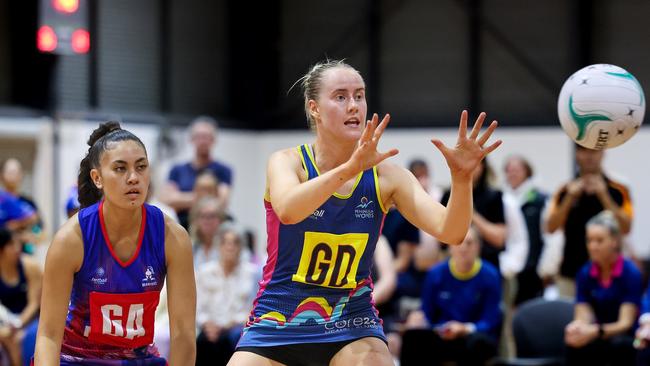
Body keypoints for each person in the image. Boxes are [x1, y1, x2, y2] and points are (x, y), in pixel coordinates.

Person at [229, 60, 501, 366]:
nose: (353, 105)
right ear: (314, 108)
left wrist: (462, 180)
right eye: (341, 97)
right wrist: (349, 170)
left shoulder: (387, 176)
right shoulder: (288, 162)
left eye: (359, 95)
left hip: (351, 321)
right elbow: (289, 210)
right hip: (279, 315)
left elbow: (451, 231)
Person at [33, 122, 196, 365]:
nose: (133, 178)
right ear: (97, 178)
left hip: (137, 359)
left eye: (141, 167)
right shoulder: (70, 239)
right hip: (75, 358)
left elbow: (183, 335)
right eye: (120, 169)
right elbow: (48, 335)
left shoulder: (173, 237)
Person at [400, 227, 502, 366]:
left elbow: (490, 320)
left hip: (472, 335)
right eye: (459, 243)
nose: (463, 248)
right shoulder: (435, 273)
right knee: (413, 337)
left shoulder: (490, 275)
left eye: (469, 243)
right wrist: (419, 320)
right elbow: (427, 313)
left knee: (479, 343)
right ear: (449, 246)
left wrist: (465, 328)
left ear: (478, 247)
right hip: (443, 334)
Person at [546, 144, 633, 298]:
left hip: (610, 274)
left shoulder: (619, 189)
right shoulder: (565, 190)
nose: (589, 156)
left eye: (594, 151)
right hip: (570, 273)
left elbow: (626, 228)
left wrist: (604, 195)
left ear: (602, 153)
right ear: (577, 154)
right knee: (569, 320)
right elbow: (551, 227)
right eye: (583, 150)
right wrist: (570, 198)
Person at [564, 211, 641, 366]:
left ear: (614, 241)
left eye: (599, 241)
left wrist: (595, 331)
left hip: (626, 337)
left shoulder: (630, 272)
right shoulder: (585, 272)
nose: (593, 246)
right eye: (589, 240)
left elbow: (625, 324)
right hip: (597, 333)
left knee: (620, 345)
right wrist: (578, 328)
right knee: (573, 343)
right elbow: (582, 313)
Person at [196, 224, 259, 366]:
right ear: (219, 246)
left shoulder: (251, 274)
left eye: (234, 243)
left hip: (235, 327)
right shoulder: (205, 272)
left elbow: (252, 308)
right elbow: (198, 306)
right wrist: (207, 323)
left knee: (234, 339)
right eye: (225, 243)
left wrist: (229, 323)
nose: (230, 247)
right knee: (201, 342)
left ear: (241, 247)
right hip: (210, 328)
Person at [161, 116, 233, 229]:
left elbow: (222, 202)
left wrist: (183, 199)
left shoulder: (224, 170)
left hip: (212, 226)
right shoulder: (177, 170)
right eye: (199, 136)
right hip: (181, 224)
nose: (203, 141)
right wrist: (204, 197)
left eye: (206, 137)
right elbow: (168, 200)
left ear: (214, 140)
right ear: (191, 139)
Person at [503, 155, 547, 304]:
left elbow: (548, 234)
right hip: (508, 265)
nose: (512, 173)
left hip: (533, 266)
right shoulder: (502, 199)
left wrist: (545, 266)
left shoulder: (539, 199)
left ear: (527, 172)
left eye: (517, 170)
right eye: (509, 170)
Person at [0, 228, 42, 366]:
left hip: (29, 320)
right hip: (5, 320)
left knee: (22, 338)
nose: (17, 248)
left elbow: (34, 304)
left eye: (18, 243)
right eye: (11, 245)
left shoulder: (30, 266)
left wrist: (17, 325)